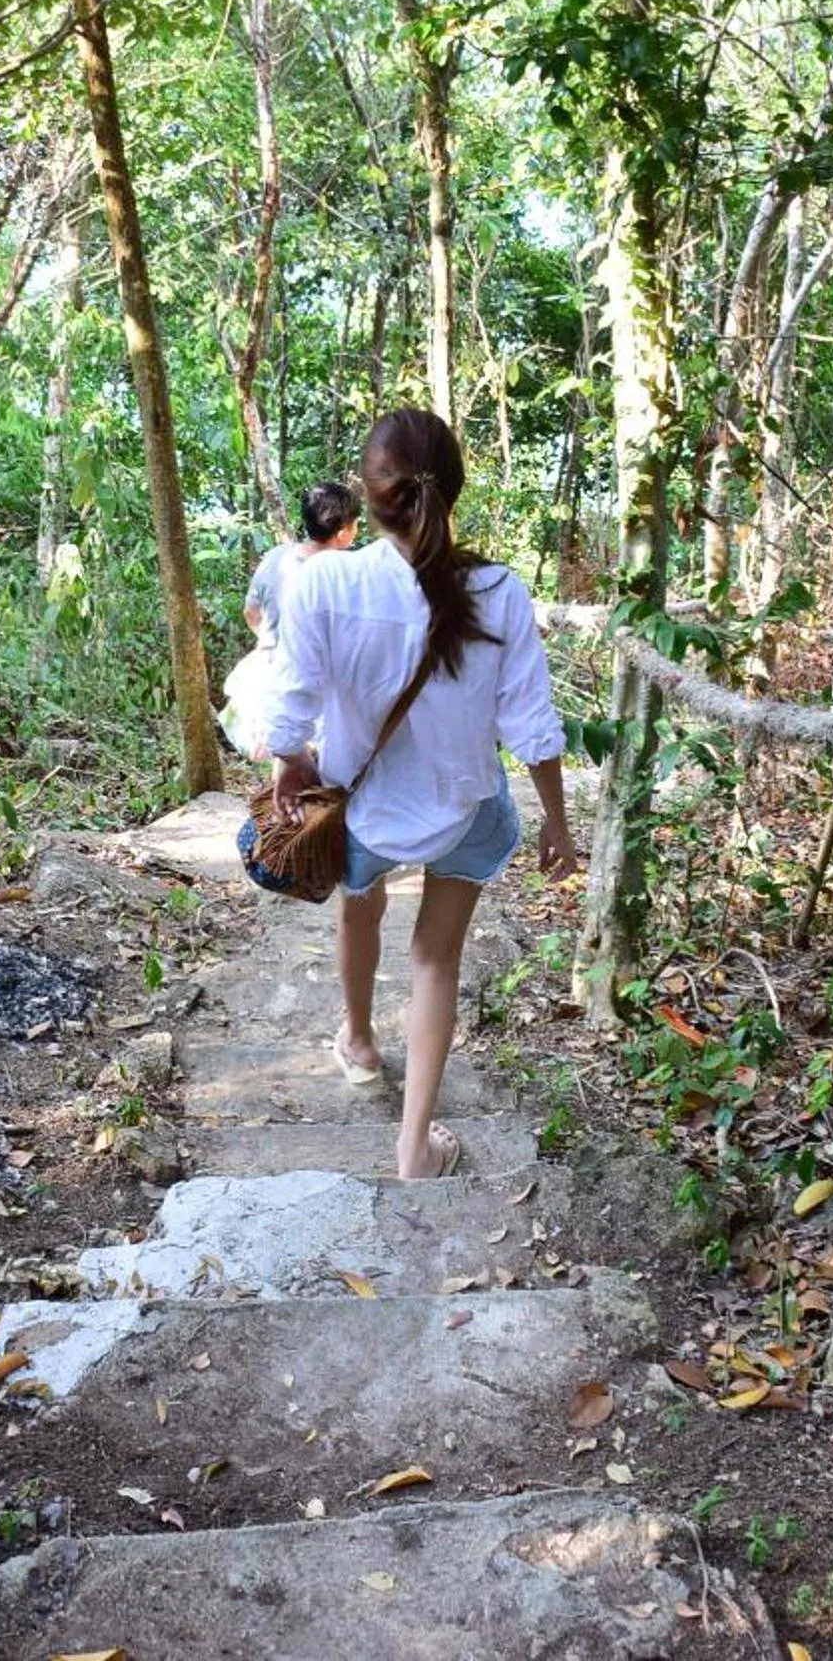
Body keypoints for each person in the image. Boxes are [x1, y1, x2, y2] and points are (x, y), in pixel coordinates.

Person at [266, 410, 578, 1179]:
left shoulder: (323, 582)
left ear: (367, 498)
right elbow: (529, 722)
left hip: (363, 809)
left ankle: (359, 1040)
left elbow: (292, 703)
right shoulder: (498, 590)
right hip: (464, 808)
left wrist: (287, 764)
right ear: (454, 491)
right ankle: (414, 1149)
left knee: (358, 905)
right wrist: (557, 826)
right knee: (435, 962)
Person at [220, 481, 359, 758]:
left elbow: (251, 613)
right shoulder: (350, 573)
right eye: (356, 524)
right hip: (321, 694)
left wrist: (273, 641)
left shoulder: (276, 558)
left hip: (267, 681)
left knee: (279, 778)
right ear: (343, 532)